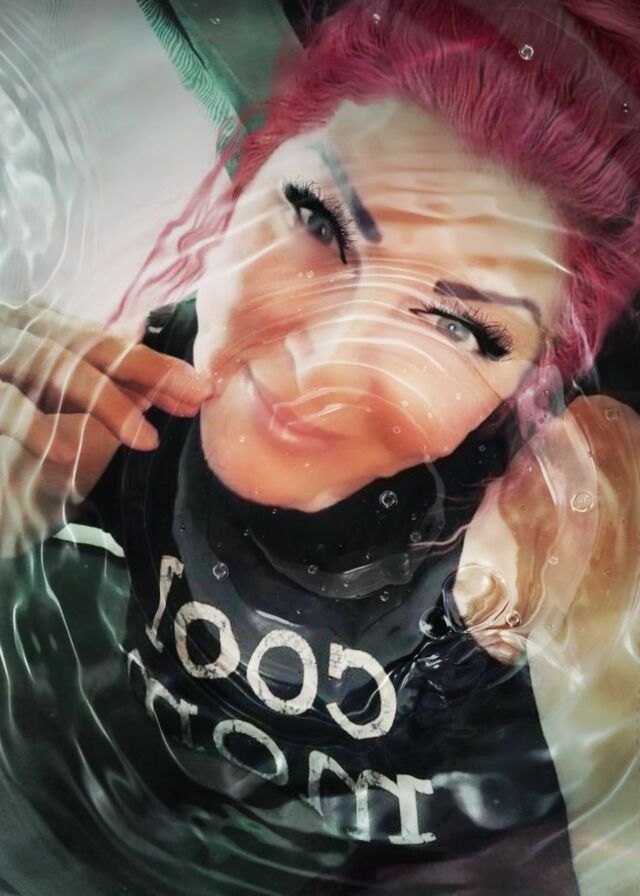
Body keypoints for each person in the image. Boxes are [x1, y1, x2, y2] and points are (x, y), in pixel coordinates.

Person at [0, 1, 639, 893]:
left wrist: (603, 652)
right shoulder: (98, 379)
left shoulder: (561, 523)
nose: (323, 361)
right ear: (249, 174)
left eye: (458, 327)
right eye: (317, 220)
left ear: (532, 377)